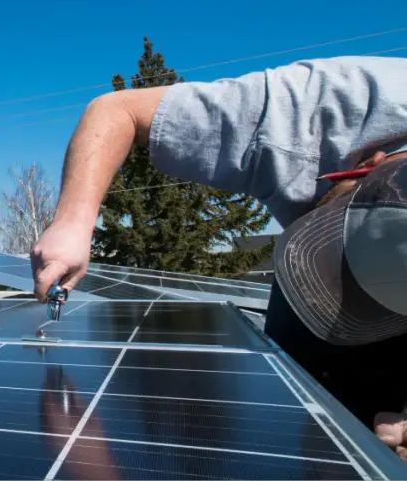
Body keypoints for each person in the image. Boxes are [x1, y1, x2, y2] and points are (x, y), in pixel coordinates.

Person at [29, 55, 407, 461]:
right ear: (364, 167)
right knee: (311, 412)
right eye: (339, 254)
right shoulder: (303, 109)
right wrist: (72, 222)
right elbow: (116, 109)